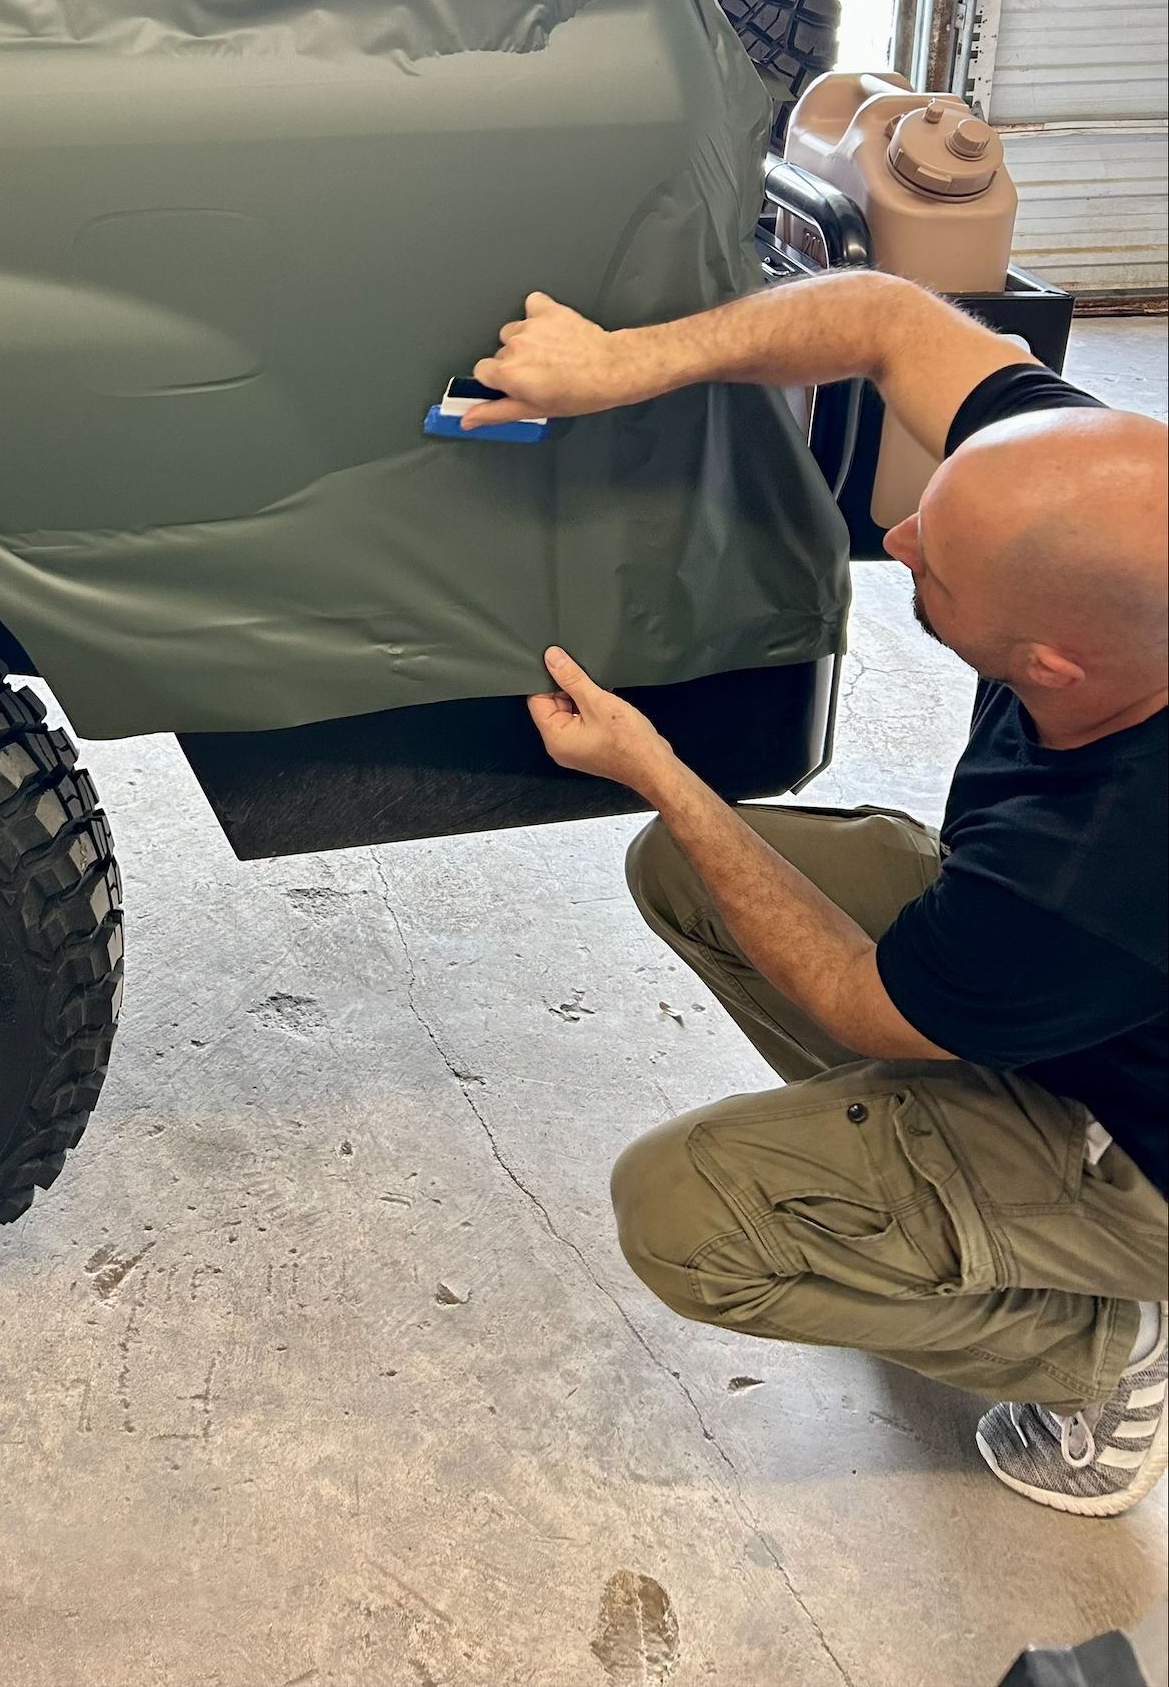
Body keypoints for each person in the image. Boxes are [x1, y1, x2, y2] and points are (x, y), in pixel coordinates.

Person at [464, 269, 1168, 1518]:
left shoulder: (1090, 870)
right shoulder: (1101, 505)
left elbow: (858, 1001)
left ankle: (1097, 1352)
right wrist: (620, 361)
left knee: (686, 1212)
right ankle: (947, 1188)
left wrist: (653, 766)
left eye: (930, 569)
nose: (896, 544)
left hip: (1141, 1144)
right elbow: (892, 321)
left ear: (1054, 661)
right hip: (1072, 986)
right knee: (694, 871)